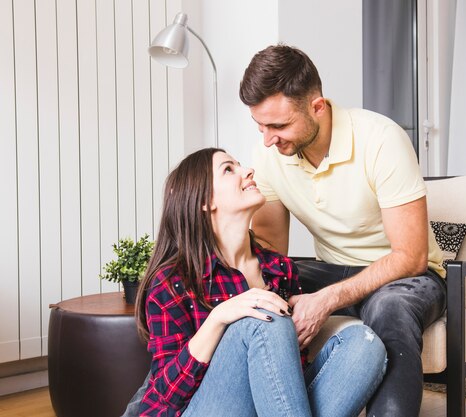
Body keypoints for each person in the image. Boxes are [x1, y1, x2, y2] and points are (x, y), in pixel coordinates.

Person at [239, 45, 447, 417]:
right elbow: (270, 247)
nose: (269, 139)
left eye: (279, 126)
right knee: (252, 295)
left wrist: (328, 300)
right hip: (333, 267)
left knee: (388, 306)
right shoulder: (269, 153)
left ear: (318, 106)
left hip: (409, 275)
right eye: (261, 126)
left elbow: (410, 256)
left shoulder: (382, 139)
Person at [130, 148, 386, 417]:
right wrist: (219, 318)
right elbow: (164, 397)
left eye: (239, 164)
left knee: (364, 344)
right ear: (205, 201)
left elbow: (281, 383)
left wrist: (293, 324)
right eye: (229, 169)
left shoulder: (279, 269)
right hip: (199, 409)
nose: (248, 171)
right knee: (262, 315)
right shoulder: (173, 281)